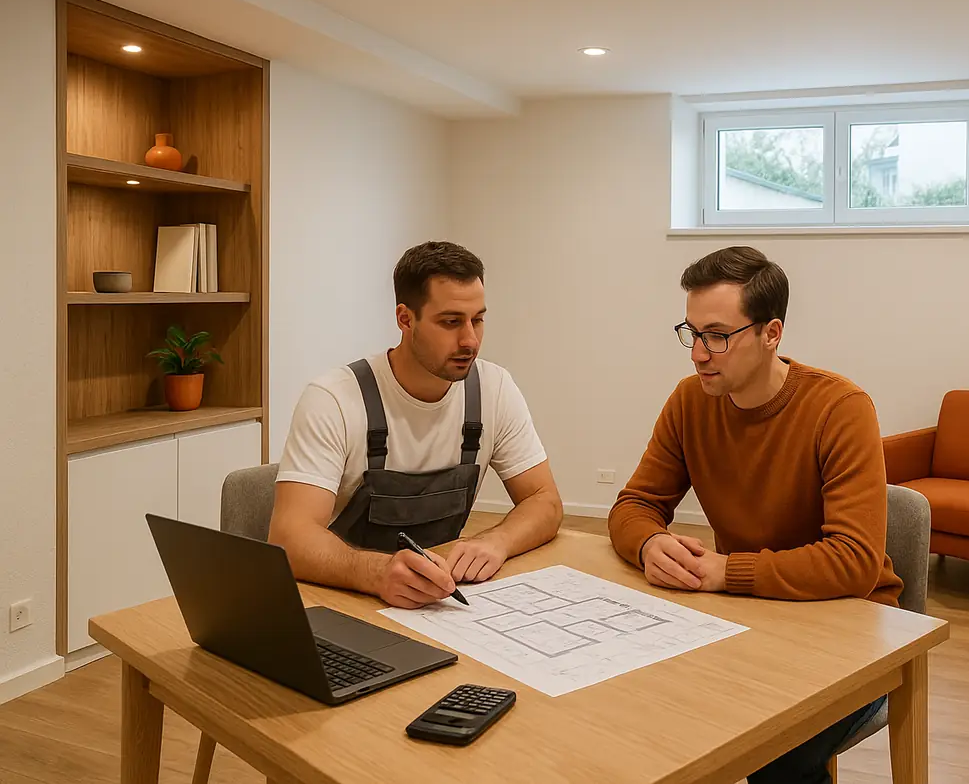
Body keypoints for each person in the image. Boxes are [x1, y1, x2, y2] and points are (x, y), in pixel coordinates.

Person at [607, 245, 903, 784]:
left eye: (718, 336)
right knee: (644, 711)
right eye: (692, 333)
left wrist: (727, 570)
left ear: (772, 333)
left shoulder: (841, 408)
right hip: (750, 618)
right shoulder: (690, 402)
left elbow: (855, 562)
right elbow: (634, 506)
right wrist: (650, 544)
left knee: (776, 751)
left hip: (850, 628)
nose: (699, 354)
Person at [270, 241, 562, 609]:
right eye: (451, 322)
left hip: (436, 601)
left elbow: (544, 501)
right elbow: (289, 538)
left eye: (477, 319)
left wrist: (496, 541)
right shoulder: (334, 399)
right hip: (343, 600)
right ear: (405, 319)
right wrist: (377, 573)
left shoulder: (494, 389)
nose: (470, 340)